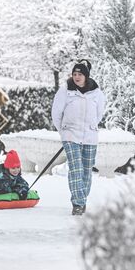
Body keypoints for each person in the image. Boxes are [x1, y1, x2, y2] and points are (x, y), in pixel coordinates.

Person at [51, 59, 106, 215]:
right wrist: (63, 131)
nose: (76, 77)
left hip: (90, 135)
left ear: (86, 76)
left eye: (80, 74)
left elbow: (99, 114)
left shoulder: (96, 93)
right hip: (70, 134)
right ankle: (78, 204)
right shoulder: (65, 91)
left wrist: (91, 126)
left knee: (86, 170)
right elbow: (56, 113)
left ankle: (81, 200)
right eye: (74, 74)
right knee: (76, 168)